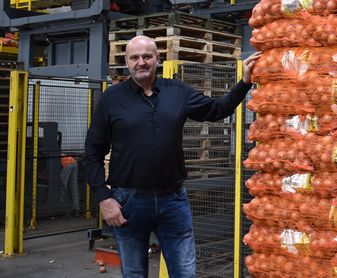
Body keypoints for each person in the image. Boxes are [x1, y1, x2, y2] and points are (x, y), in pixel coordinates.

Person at [83, 35, 260, 278]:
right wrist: (104, 199)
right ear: (126, 62)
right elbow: (93, 153)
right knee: (134, 273)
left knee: (184, 273)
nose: (141, 62)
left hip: (173, 201)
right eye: (135, 58)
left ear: (158, 59)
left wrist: (245, 82)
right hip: (128, 201)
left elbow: (217, 109)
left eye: (147, 56)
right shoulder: (112, 99)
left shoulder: (177, 92)